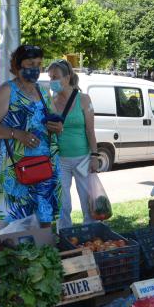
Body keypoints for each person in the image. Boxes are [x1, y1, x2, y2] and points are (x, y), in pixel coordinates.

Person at [0, 45, 62, 229]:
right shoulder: (7, 90)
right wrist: (16, 134)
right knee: (14, 230)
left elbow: (54, 120)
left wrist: (57, 126)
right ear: (17, 66)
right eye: (30, 63)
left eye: (39, 64)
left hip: (44, 169)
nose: (35, 68)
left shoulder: (43, 92)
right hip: (16, 171)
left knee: (44, 226)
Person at [47, 59, 99, 228]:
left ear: (67, 78)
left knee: (87, 201)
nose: (52, 81)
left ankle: (91, 234)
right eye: (50, 78)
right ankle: (65, 237)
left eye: (55, 77)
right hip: (61, 159)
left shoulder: (83, 99)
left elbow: (90, 131)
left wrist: (94, 155)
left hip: (83, 158)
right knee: (63, 203)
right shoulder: (52, 102)